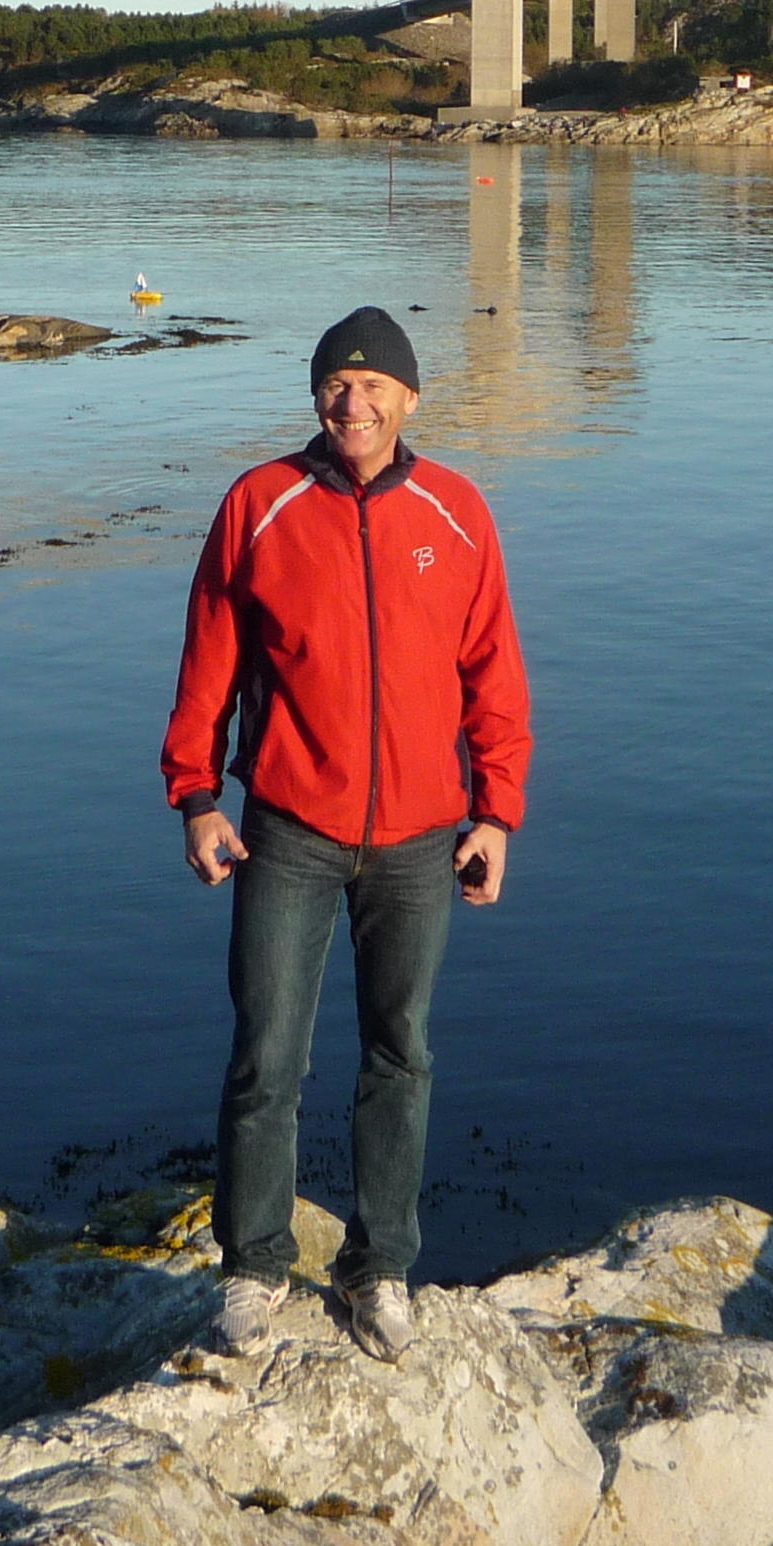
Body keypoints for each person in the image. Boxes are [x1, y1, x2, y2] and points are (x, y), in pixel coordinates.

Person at [161, 305, 531, 1362]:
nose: (352, 401)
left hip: (420, 839)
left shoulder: (457, 512)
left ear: (411, 400)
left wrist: (496, 810)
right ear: (315, 398)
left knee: (400, 1054)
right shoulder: (259, 504)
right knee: (265, 1055)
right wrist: (196, 796)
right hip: (288, 829)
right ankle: (252, 1268)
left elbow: (494, 676)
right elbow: (210, 661)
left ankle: (381, 1269)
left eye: (374, 387)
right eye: (335, 384)